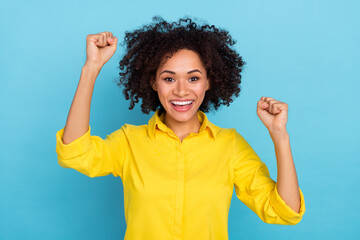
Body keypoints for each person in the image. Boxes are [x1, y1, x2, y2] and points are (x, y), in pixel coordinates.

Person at [55, 16, 306, 240]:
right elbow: (75, 154)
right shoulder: (129, 141)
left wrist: (279, 136)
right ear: (153, 82)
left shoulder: (230, 146)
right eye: (169, 78)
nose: (182, 90)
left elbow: (284, 211)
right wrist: (91, 68)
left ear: (209, 81)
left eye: (193, 78)